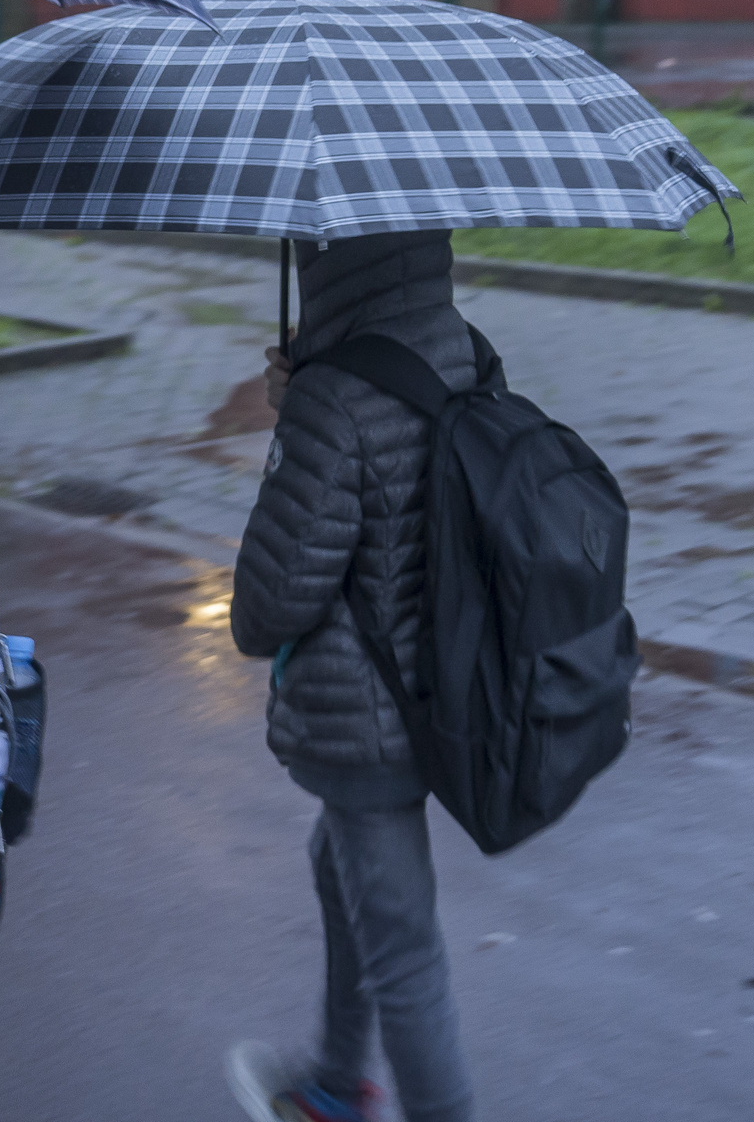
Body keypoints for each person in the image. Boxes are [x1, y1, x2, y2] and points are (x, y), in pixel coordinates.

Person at [227, 233, 475, 1122]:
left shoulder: (335, 399)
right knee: (336, 866)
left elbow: (265, 610)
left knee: (404, 956)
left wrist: (299, 426)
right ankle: (334, 1078)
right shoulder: (463, 350)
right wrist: (312, 398)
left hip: (364, 716)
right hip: (447, 689)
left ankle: (367, 1094)